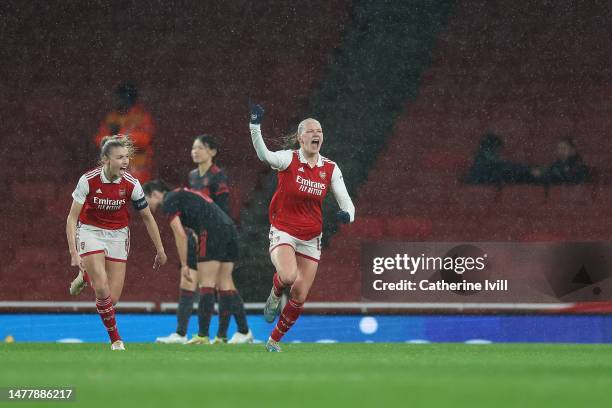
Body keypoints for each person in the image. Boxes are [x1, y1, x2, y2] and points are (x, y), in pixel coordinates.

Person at [249, 104, 355, 352]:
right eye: (310, 131)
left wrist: (347, 214)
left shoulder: (330, 168)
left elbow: (346, 201)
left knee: (299, 294)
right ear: (300, 137)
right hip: (284, 229)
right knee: (287, 277)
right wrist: (255, 126)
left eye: (319, 131)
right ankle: (275, 292)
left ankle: (273, 341)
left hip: (311, 237)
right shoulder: (288, 158)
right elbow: (265, 155)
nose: (316, 134)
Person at [66, 135, 167, 351]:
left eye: (126, 157)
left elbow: (148, 217)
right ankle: (116, 339)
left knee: (112, 300)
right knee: (101, 286)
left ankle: (85, 276)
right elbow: (72, 218)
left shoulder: (132, 184)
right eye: (119, 157)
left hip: (118, 236)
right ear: (106, 160)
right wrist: (74, 252)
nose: (125, 162)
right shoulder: (88, 180)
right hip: (90, 231)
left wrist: (159, 248)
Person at [155, 135, 250, 344]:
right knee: (196, 280)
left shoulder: (218, 176)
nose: (194, 151)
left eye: (199, 148)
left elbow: (222, 208)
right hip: (199, 233)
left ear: (212, 152)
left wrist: (214, 231)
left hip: (215, 231)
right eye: (193, 148)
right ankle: (185, 333)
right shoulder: (192, 176)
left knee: (219, 282)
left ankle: (233, 332)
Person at [144, 180, 253, 345]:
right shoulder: (183, 194)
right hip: (229, 228)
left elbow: (179, 234)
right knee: (224, 284)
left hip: (211, 231)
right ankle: (222, 336)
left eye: (146, 200)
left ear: (156, 194)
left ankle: (203, 336)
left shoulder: (168, 201)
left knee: (206, 284)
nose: (146, 206)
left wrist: (185, 265)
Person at [94, 82, 155, 182]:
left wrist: (119, 135)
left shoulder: (142, 117)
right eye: (117, 97)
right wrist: (109, 138)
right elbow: (99, 140)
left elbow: (145, 140)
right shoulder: (111, 117)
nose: (117, 101)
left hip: (137, 172)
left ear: (129, 99)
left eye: (120, 97)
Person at [465, 132, 539, 185]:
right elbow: (503, 167)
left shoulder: (484, 164)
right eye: (497, 150)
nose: (498, 154)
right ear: (491, 149)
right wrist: (528, 170)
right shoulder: (484, 165)